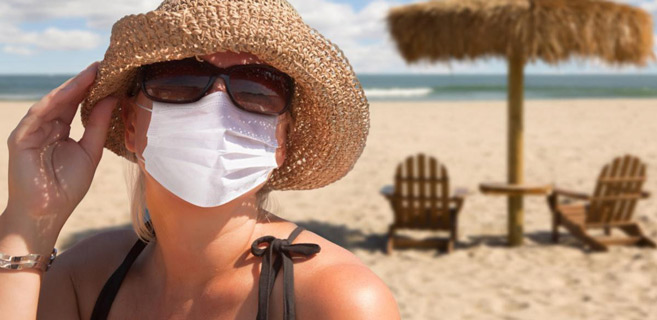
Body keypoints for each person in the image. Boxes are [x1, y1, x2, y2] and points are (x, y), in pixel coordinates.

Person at [0, 0, 400, 319]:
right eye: (179, 78)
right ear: (132, 127)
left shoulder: (338, 300)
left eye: (257, 88)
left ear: (282, 141)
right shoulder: (83, 277)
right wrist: (29, 220)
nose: (215, 107)